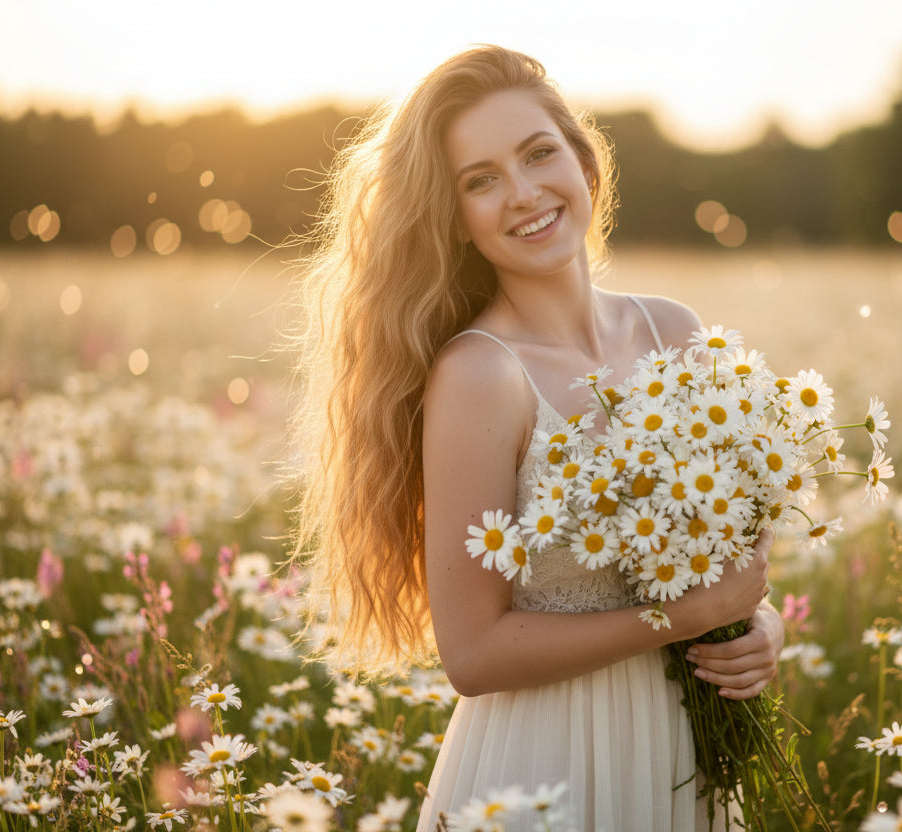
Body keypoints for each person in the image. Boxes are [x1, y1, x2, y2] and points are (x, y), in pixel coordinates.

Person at [291, 45, 784, 831]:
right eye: (479, 180)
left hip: (684, 756)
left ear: (584, 163)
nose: (523, 193)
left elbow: (727, 566)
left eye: (538, 153)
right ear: (454, 219)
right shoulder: (481, 376)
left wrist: (759, 629)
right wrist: (679, 621)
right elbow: (473, 654)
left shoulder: (677, 332)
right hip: (542, 765)